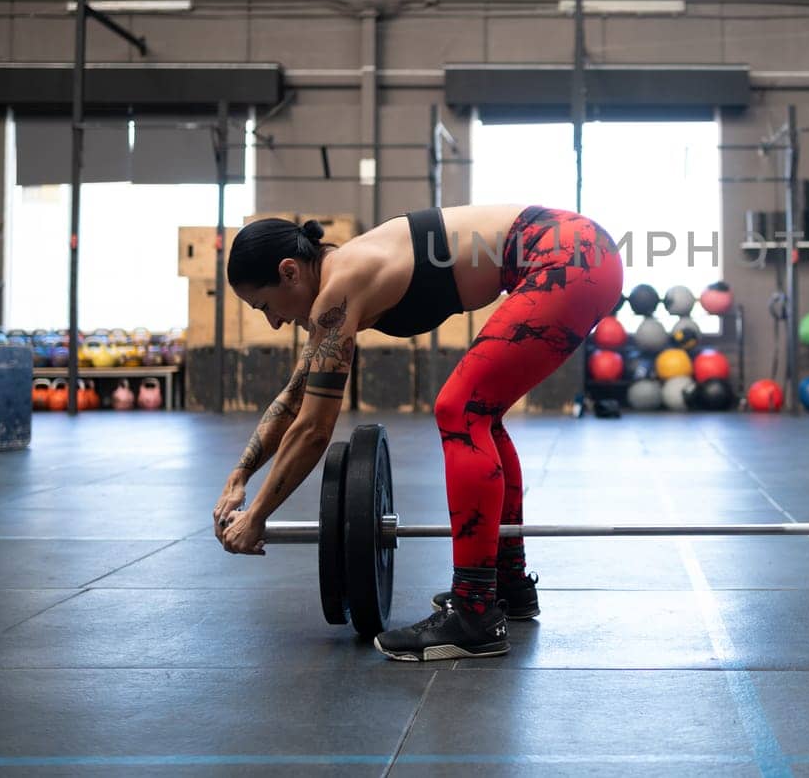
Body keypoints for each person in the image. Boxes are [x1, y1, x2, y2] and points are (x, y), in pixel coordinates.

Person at [212, 205, 623, 660]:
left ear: (289, 271)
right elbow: (295, 397)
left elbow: (313, 430)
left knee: (461, 409)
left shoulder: (339, 291)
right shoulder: (340, 278)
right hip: (581, 253)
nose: (273, 322)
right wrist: (240, 475)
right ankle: (508, 584)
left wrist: (257, 517)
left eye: (266, 306)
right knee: (481, 412)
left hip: (569, 256)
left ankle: (474, 611)